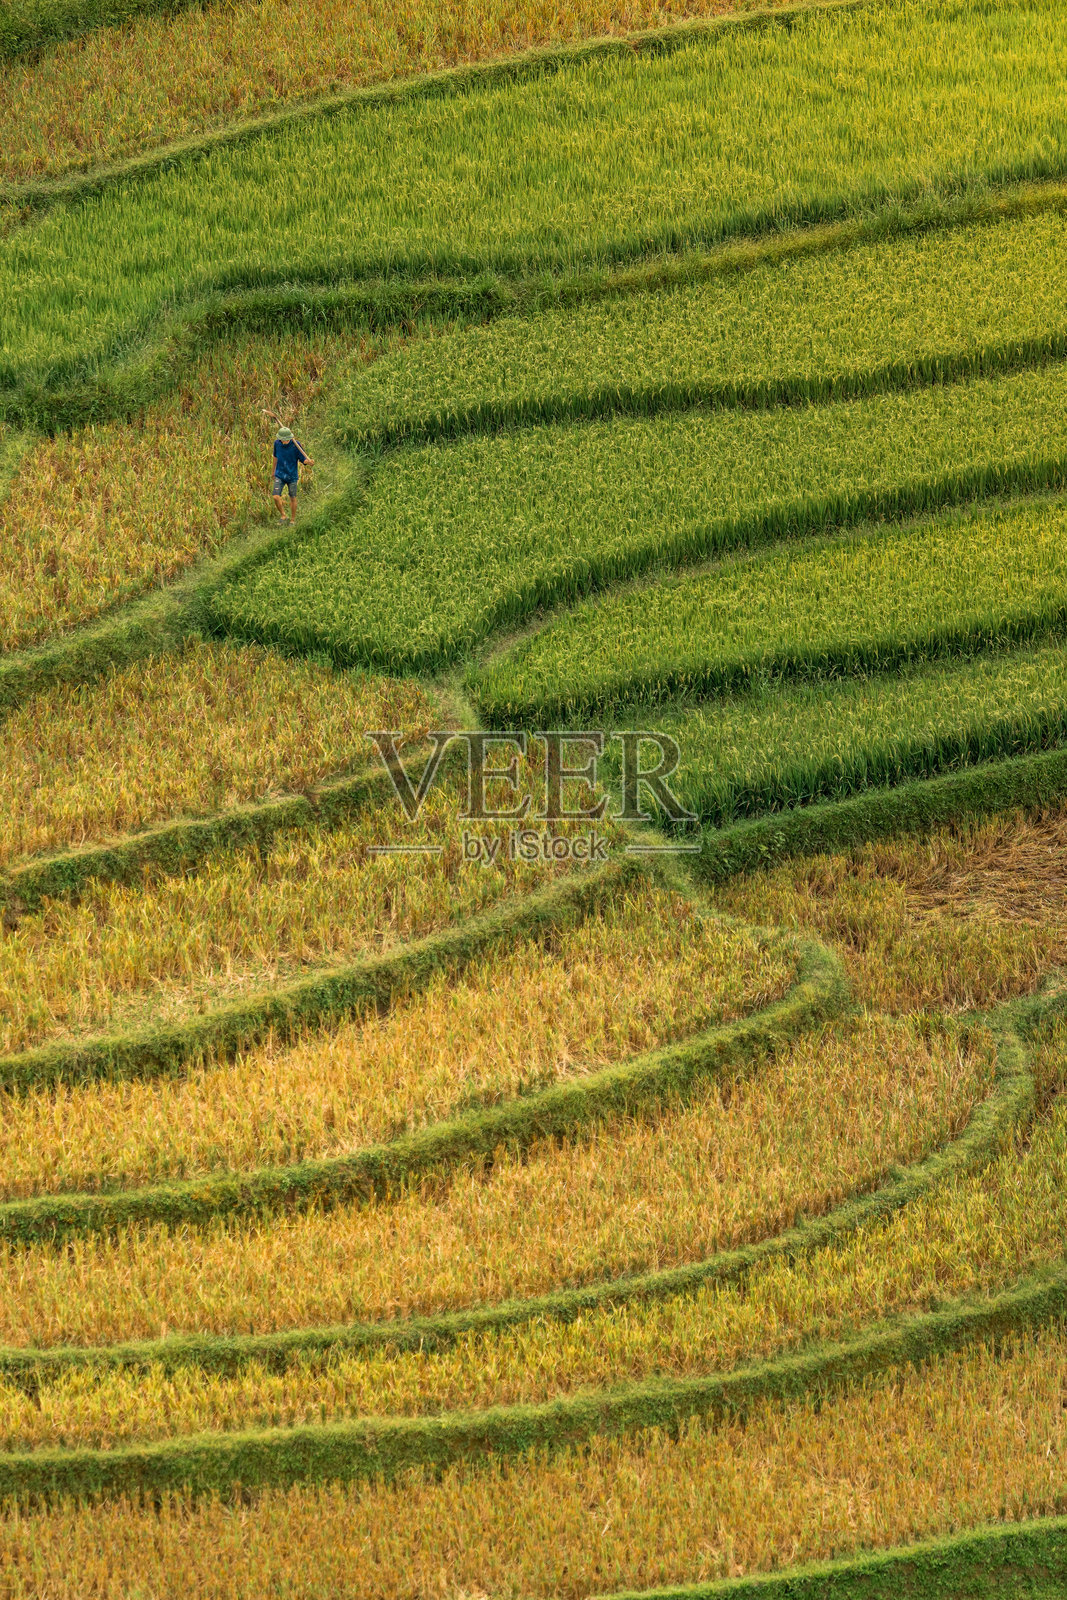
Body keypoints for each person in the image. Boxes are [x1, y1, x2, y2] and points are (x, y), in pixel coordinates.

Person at [271, 426, 314, 523]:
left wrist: (309, 462)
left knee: (292, 497)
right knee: (275, 496)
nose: (285, 442)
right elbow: (275, 457)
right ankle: (283, 515)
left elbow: (303, 459)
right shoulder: (277, 444)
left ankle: (293, 520)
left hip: (292, 475)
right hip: (280, 474)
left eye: (286, 440)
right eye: (283, 440)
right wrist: (273, 471)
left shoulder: (296, 445)